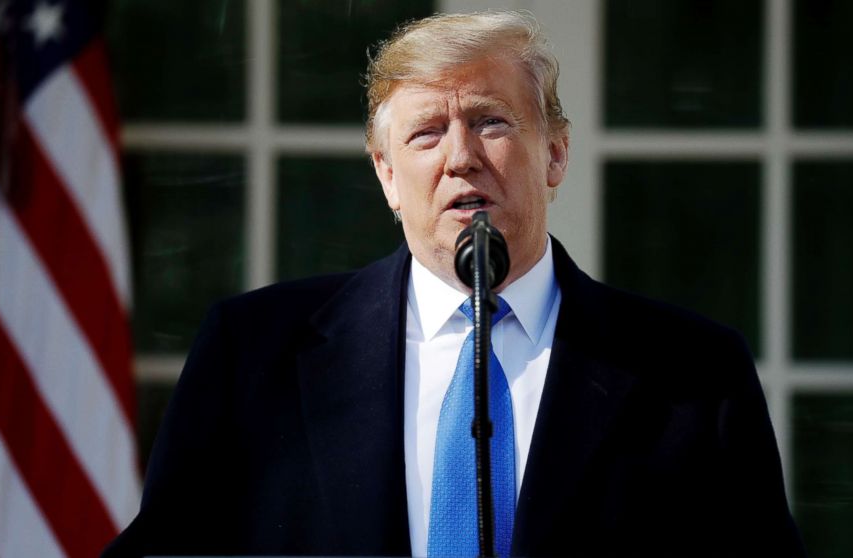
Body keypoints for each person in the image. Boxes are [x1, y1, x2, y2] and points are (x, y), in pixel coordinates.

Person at [104, 11, 806, 557]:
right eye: (427, 133)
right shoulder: (253, 352)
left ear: (556, 154)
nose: (461, 157)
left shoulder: (693, 373)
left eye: (490, 122)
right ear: (386, 176)